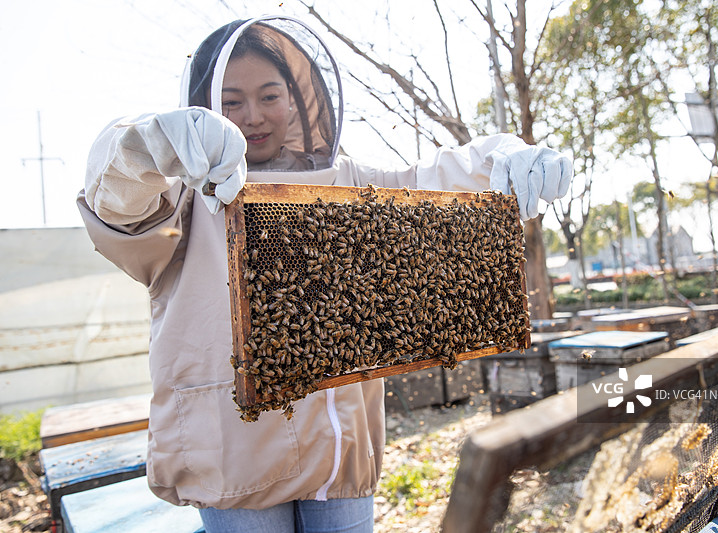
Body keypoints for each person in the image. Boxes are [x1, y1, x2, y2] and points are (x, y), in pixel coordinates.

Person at [77, 15, 572, 533]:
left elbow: (435, 183)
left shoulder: (348, 181)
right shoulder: (177, 199)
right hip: (231, 457)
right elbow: (116, 203)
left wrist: (501, 161)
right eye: (231, 101)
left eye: (270, 95)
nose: (253, 116)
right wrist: (147, 144)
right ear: (203, 107)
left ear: (297, 99)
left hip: (339, 452)